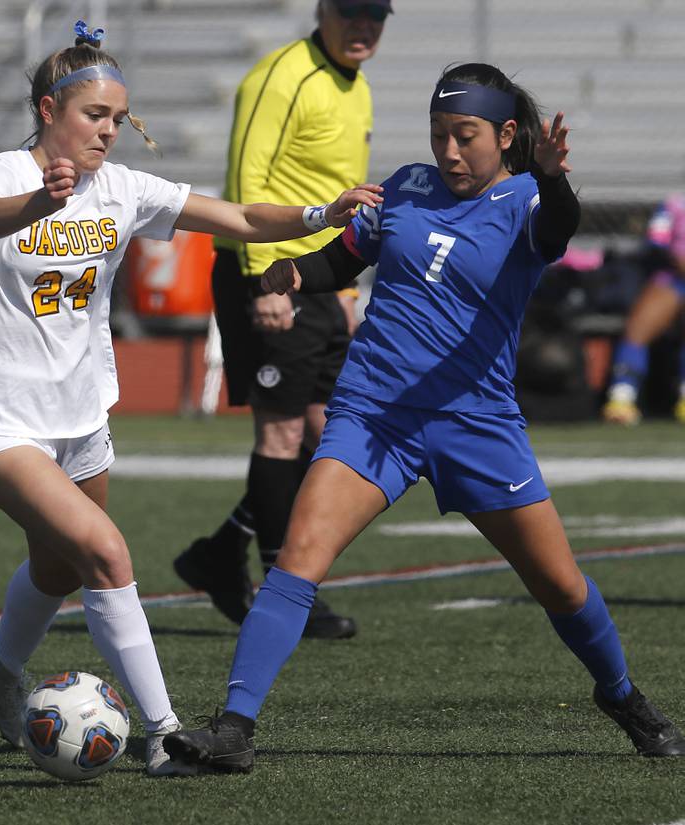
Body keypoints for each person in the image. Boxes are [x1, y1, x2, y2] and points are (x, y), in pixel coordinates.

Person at [163, 62, 685, 772]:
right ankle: (234, 725)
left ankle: (623, 695)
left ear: (505, 135)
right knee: (298, 558)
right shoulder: (406, 185)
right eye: (439, 134)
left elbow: (559, 227)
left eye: (465, 136)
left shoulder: (530, 201)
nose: (448, 151)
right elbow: (344, 258)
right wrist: (294, 271)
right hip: (374, 413)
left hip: (477, 424)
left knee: (560, 585)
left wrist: (557, 176)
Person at [0, 21, 382, 778]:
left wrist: (320, 216)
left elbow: (239, 219)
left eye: (117, 117)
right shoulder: (7, 170)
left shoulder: (119, 188)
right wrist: (33, 207)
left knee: (56, 568)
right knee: (106, 553)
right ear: (49, 111)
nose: (109, 130)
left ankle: (0, 663)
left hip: (81, 416)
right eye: (94, 115)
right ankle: (164, 732)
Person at [172, 0, 392, 640]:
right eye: (352, 13)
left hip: (322, 281)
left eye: (376, 16)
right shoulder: (280, 74)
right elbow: (246, 177)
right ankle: (284, 592)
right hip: (270, 277)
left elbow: (343, 192)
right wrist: (264, 279)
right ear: (323, 11)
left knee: (331, 439)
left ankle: (221, 551)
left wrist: (346, 287)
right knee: (281, 435)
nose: (364, 27)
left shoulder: (356, 86)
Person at [602, 195, 685, 425]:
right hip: (673, 277)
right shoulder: (674, 205)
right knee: (638, 327)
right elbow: (657, 239)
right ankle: (622, 397)